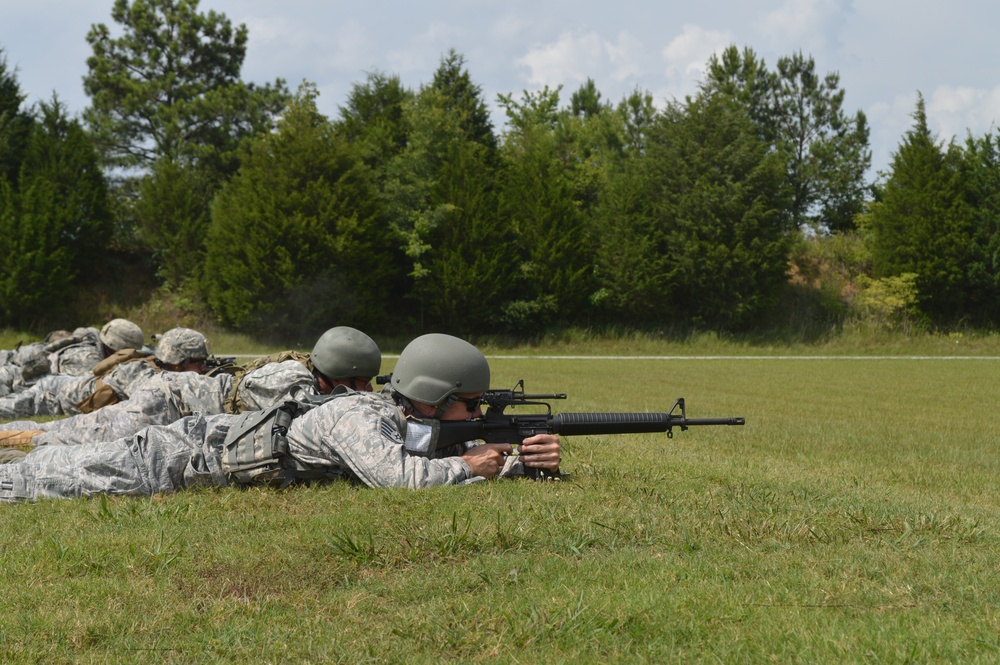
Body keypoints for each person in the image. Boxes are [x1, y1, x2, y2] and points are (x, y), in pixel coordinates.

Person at [0, 333, 560, 501]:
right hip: (177, 455)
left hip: (201, 450)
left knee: (51, 461)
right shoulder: (358, 417)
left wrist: (522, 463)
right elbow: (402, 477)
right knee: (40, 478)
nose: (476, 415)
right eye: (471, 405)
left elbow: (433, 452)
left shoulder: (403, 419)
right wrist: (476, 466)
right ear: (433, 398)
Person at [0, 326, 383, 449]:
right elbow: (313, 417)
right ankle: (8, 439)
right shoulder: (294, 380)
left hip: (176, 396)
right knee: (78, 435)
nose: (364, 391)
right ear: (334, 372)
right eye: (359, 383)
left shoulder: (303, 369)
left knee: (69, 432)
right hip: (168, 400)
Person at [0, 327, 208, 422]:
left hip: (61, 386)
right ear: (178, 363)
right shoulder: (142, 375)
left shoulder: (155, 364)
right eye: (198, 362)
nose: (202, 369)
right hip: (50, 395)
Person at [0, 319, 146, 396]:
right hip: (11, 379)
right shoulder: (87, 357)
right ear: (117, 347)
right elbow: (89, 389)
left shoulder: (91, 343)